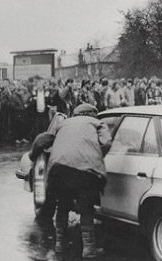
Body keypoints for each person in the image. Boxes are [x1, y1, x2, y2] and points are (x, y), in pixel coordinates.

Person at [46, 103, 112, 257]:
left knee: (62, 206)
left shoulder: (63, 123)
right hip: (84, 171)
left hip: (59, 169)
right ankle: (88, 249)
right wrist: (95, 153)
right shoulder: (97, 123)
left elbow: (47, 140)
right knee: (86, 208)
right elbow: (107, 142)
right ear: (92, 114)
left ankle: (59, 244)